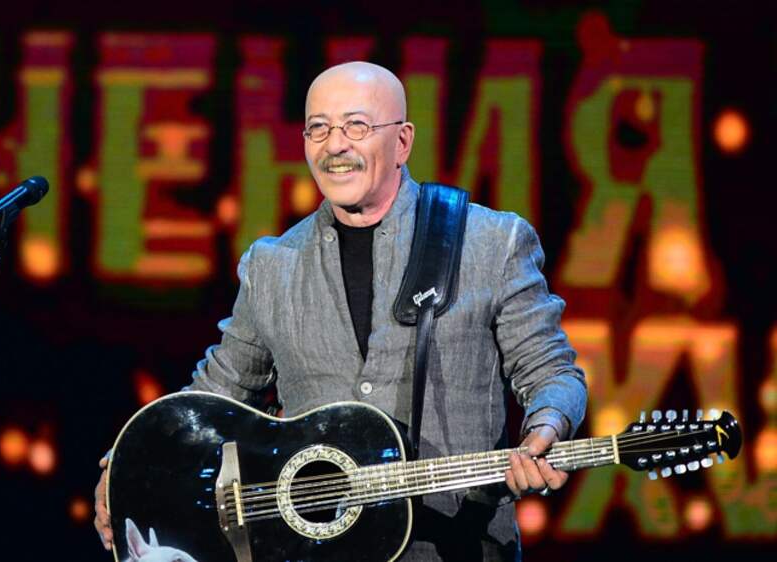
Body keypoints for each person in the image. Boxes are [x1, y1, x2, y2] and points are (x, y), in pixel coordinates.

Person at [94, 61, 587, 561]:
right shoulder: (273, 266)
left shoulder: (490, 242)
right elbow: (214, 398)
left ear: (402, 142)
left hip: (455, 547)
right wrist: (127, 468)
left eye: (356, 126)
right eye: (319, 128)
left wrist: (544, 430)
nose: (334, 146)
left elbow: (551, 372)